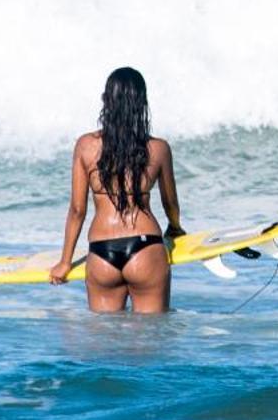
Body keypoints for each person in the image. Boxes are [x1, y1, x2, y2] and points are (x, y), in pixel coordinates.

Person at [48, 66, 184, 312]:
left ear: (106, 100)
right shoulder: (159, 149)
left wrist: (65, 262)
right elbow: (170, 203)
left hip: (102, 252)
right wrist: (174, 228)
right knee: (151, 339)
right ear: (142, 103)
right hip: (146, 248)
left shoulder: (86, 146)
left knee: (105, 341)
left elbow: (77, 210)